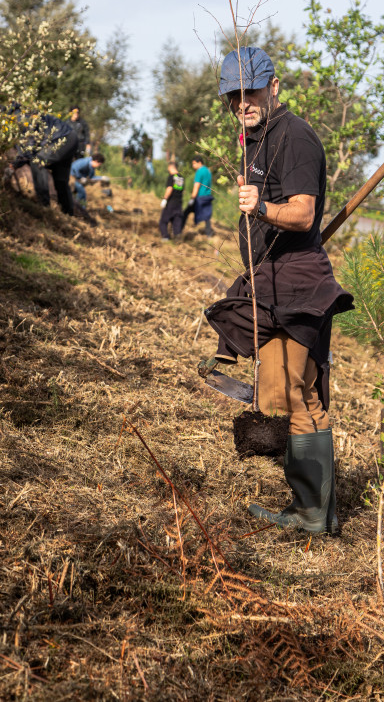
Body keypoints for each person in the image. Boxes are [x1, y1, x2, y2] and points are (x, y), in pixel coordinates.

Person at [204, 47, 354, 535]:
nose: (241, 103)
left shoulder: (295, 137)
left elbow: (304, 213)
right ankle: (314, 509)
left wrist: (262, 208)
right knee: (288, 393)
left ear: (272, 87)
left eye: (250, 92)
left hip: (296, 286)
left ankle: (313, 513)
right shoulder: (256, 138)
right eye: (233, 95)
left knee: (290, 396)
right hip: (271, 281)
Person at [9, 104, 79, 215]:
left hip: (61, 139)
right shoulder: (26, 114)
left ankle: (44, 207)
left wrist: (15, 164)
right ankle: (68, 214)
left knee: (37, 161)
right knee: (60, 180)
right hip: (70, 137)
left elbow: (29, 146)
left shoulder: (21, 118)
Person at [184, 155, 214, 237]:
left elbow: (196, 186)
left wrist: (192, 198)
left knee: (186, 212)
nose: (193, 166)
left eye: (194, 163)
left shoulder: (199, 171)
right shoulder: (208, 171)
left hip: (200, 197)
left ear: (199, 162)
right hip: (207, 196)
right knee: (207, 216)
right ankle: (209, 234)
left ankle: (179, 229)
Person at [159, 160, 184, 239]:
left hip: (171, 202)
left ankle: (165, 237)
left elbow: (169, 189)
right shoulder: (181, 177)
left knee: (163, 221)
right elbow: (182, 191)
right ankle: (177, 238)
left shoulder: (171, 177)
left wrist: (165, 199)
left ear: (171, 167)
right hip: (179, 203)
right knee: (176, 221)